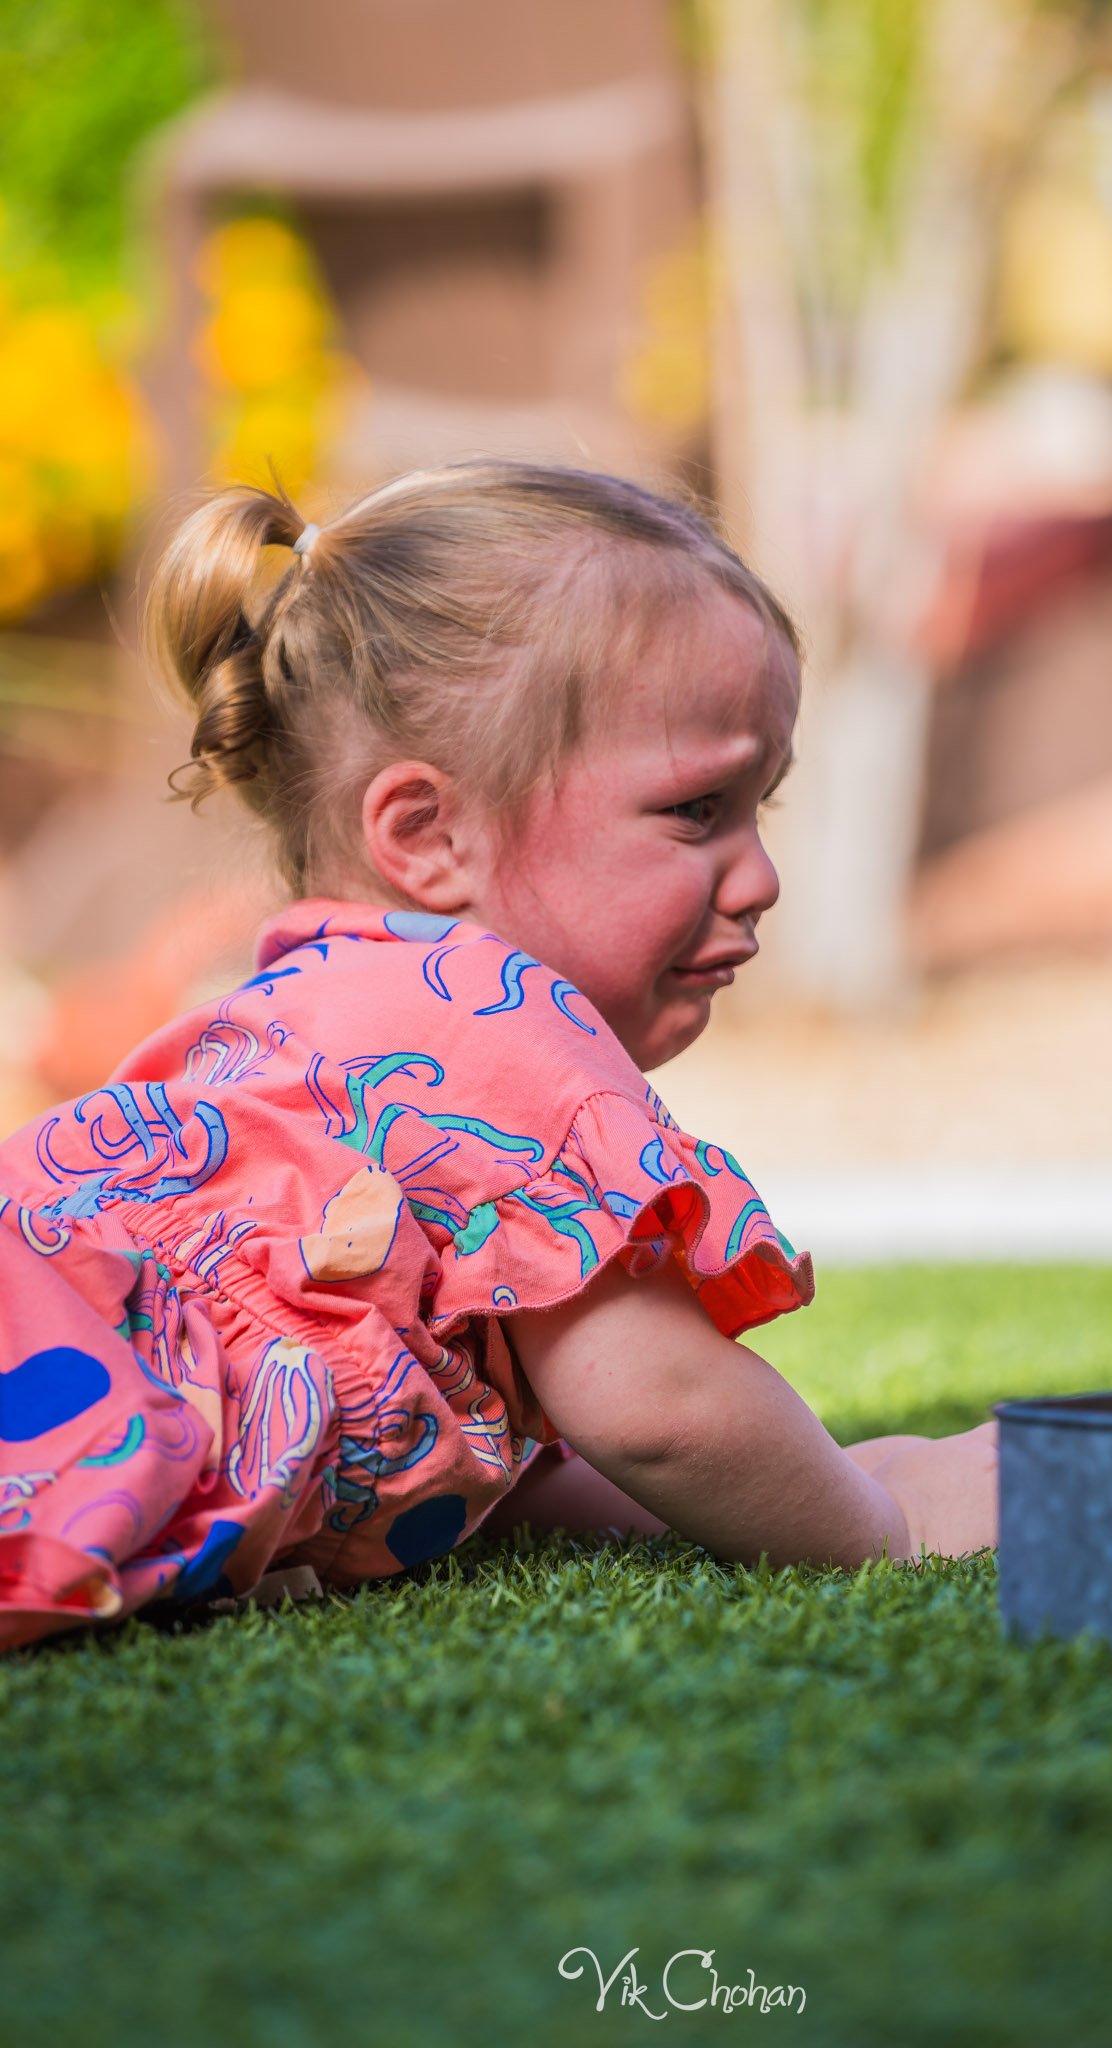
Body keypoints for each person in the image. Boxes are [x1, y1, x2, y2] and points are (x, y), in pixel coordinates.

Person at [0, 462, 997, 1654]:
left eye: (759, 807)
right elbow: (655, 1404)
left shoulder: (293, 1029)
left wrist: (829, 1467)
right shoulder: (482, 1000)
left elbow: (502, 1479)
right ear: (428, 835)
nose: (762, 876)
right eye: (696, 809)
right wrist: (887, 1518)